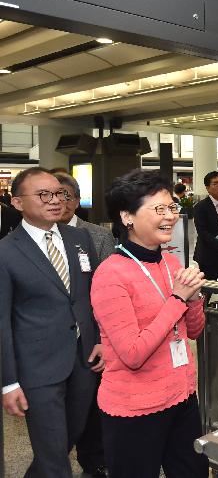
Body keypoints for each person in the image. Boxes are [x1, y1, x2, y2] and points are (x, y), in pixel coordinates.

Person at [91, 169, 207, 478]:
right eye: (159, 209)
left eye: (172, 208)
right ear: (127, 216)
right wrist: (179, 300)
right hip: (135, 408)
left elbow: (192, 331)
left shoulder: (170, 262)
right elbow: (132, 353)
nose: (170, 216)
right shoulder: (110, 274)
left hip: (181, 397)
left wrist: (194, 299)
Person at [0, 167, 103, 477]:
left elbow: (91, 295)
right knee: (54, 452)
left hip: (83, 359)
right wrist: (8, 382)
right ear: (17, 203)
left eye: (59, 193)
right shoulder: (6, 252)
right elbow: (2, 320)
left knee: (63, 441)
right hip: (36, 367)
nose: (55, 200)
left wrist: (100, 339)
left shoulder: (79, 237)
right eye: (44, 195)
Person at [54, 172, 115, 477]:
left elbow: (108, 290)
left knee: (92, 402)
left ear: (77, 200)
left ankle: (94, 459)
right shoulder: (32, 238)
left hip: (90, 334)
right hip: (52, 340)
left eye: (65, 194)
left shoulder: (98, 236)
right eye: (51, 194)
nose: (58, 201)